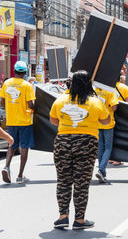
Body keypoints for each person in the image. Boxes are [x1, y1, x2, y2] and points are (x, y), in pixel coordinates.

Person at [49, 70, 110, 230]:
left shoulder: (60, 100)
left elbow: (53, 119)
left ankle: (63, 216)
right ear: (88, 84)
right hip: (87, 142)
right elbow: (106, 121)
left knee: (63, 180)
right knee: (82, 183)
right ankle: (79, 220)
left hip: (63, 141)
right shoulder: (95, 101)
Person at [0, 61, 35, 184]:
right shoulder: (27, 85)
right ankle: (20, 176)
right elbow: (31, 104)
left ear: (14, 71)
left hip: (11, 121)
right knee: (24, 148)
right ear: (25, 73)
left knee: (11, 144)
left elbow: (2, 101)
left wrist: (9, 109)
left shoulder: (6, 83)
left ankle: (7, 166)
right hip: (25, 122)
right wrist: (33, 110)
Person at [94, 87, 119, 183]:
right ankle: (101, 169)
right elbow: (114, 107)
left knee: (100, 148)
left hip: (96, 122)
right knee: (107, 147)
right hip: (108, 122)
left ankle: (102, 171)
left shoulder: (94, 91)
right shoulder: (111, 92)